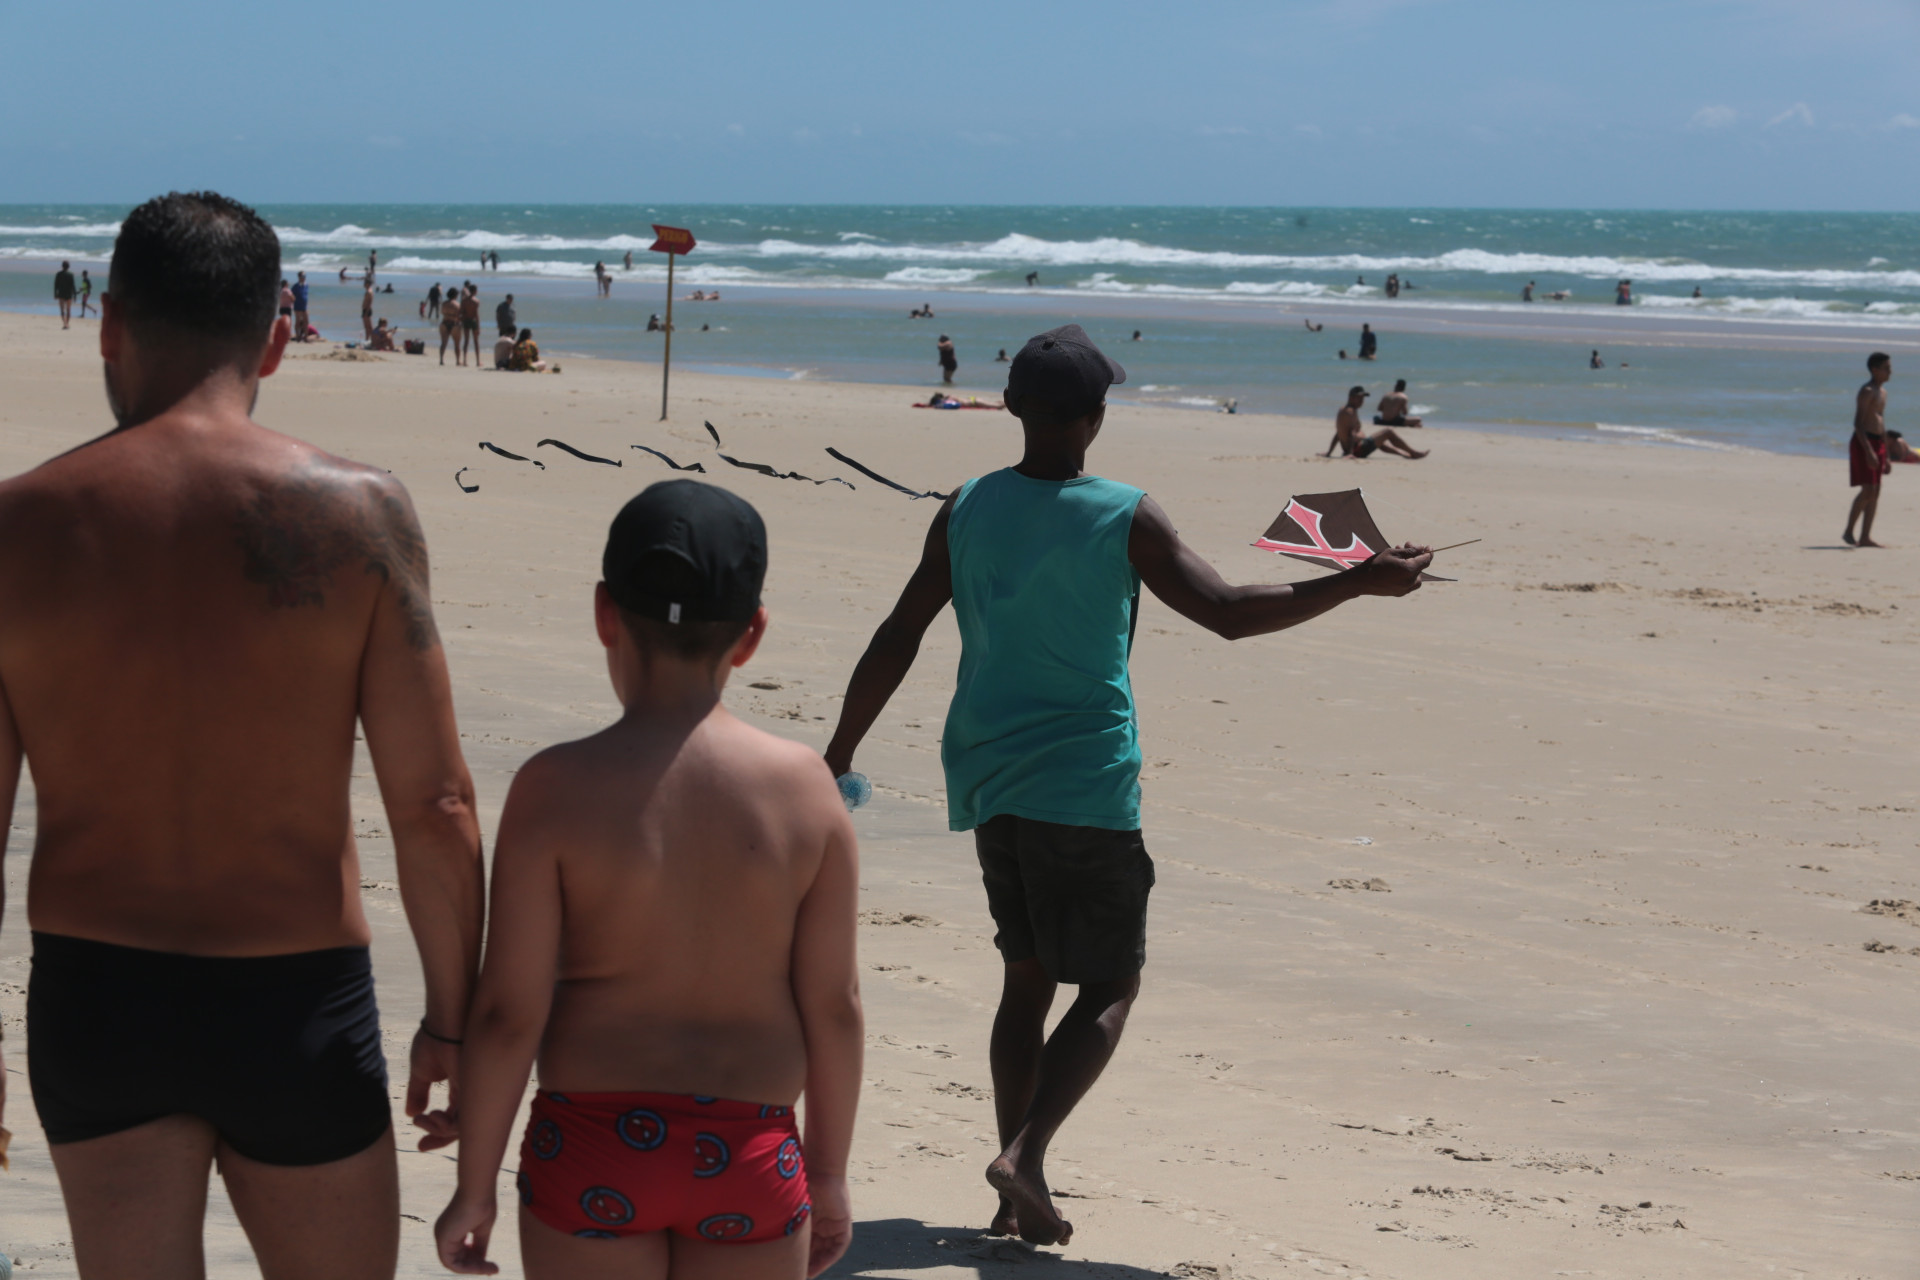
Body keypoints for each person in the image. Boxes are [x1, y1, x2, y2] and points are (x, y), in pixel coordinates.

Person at [822, 325, 1432, 1246]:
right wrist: (1353, 584)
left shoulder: (966, 506)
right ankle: (1025, 1156)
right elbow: (1227, 612)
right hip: (1085, 780)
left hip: (988, 771)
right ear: (1098, 418)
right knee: (1109, 982)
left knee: (1026, 980)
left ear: (1013, 407)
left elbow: (898, 633)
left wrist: (840, 748)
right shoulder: (1125, 513)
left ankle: (1013, 1188)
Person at [0, 191, 484, 1280]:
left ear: (109, 324)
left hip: (96, 998)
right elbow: (436, 803)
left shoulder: (14, 527)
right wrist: (453, 1020)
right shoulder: (358, 514)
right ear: (277, 337)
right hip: (293, 1001)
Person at [433, 482, 862, 1280]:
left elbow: (508, 1014)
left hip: (593, 1145)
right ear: (752, 634)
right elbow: (834, 1008)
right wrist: (829, 1175)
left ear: (605, 613)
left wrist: (474, 1187)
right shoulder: (807, 791)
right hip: (751, 1150)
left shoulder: (554, 788)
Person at [1845, 352, 1894, 547]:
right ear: (1875, 370)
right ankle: (1849, 531)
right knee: (1868, 489)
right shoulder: (1867, 391)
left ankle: (1865, 536)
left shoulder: (1883, 392)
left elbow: (1881, 421)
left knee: (1876, 491)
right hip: (1864, 442)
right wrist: (1868, 451)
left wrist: (1887, 454)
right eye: (1886, 368)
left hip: (1878, 442)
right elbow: (1858, 423)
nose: (1890, 372)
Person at [1326, 386, 1427, 459]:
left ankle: (1405, 454)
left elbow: (1339, 433)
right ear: (1351, 397)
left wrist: (1329, 452)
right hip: (1359, 450)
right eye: (1359, 398)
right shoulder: (1350, 412)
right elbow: (1352, 433)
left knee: (1380, 440)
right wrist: (1350, 453)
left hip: (1355, 449)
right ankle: (1413, 453)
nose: (1362, 401)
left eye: (1363, 399)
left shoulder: (1343, 410)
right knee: (1388, 431)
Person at [461, 283, 482, 368]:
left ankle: (464, 360)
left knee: (466, 341)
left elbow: (462, 312)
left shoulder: (464, 300)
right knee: (476, 341)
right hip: (473, 321)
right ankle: (477, 361)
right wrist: (478, 326)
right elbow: (476, 314)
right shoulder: (476, 301)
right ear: (475, 291)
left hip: (466, 320)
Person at [441, 290, 463, 366]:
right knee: (457, 344)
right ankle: (457, 361)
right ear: (455, 295)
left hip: (444, 322)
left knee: (443, 343)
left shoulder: (444, 304)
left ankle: (441, 360)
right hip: (454, 324)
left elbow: (442, 312)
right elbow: (459, 315)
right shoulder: (457, 304)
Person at [54, 260, 76, 329]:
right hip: (69, 294)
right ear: (68, 267)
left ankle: (64, 323)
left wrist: (55, 294)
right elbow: (73, 285)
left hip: (61, 294)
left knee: (62, 309)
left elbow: (56, 285)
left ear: (62, 266)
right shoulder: (71, 274)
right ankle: (67, 323)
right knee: (68, 309)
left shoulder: (58, 274)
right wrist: (75, 295)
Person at [291, 271, 311, 342]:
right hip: (297, 306)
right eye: (302, 277)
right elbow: (291, 295)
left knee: (306, 321)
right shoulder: (295, 286)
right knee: (298, 321)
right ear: (299, 277)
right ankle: (298, 337)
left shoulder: (306, 285)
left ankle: (306, 337)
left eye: (304, 276)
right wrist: (294, 302)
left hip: (304, 306)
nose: (303, 278)